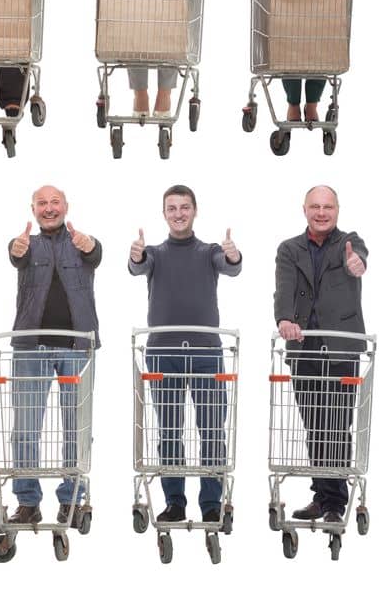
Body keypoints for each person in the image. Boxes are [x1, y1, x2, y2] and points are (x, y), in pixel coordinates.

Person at [127, 184, 241, 525]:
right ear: (164, 213)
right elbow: (138, 266)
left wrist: (233, 255)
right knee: (170, 429)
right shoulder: (155, 253)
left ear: (195, 210)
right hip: (163, 353)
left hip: (207, 353)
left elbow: (230, 266)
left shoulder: (208, 251)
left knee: (211, 430)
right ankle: (174, 502)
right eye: (172, 208)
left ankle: (210, 503)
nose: (179, 213)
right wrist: (135, 256)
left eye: (185, 207)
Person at [5, 185, 100, 526]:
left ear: (66, 206)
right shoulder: (25, 245)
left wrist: (89, 246)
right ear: (33, 210)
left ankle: (71, 498)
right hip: (31, 348)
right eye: (42, 203)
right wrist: (16, 249)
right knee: (25, 429)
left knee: (76, 428)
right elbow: (15, 256)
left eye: (54, 202)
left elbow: (95, 255)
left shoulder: (83, 243)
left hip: (77, 347)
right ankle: (27, 502)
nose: (49, 208)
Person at [273, 185, 368, 524]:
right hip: (304, 348)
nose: (321, 212)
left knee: (338, 426)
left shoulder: (350, 241)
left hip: (341, 349)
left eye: (328, 206)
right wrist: (284, 318)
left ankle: (334, 502)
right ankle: (320, 495)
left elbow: (359, 258)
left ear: (337, 210)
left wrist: (357, 263)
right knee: (314, 424)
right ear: (305, 210)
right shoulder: (289, 249)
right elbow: (283, 288)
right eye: (315, 206)